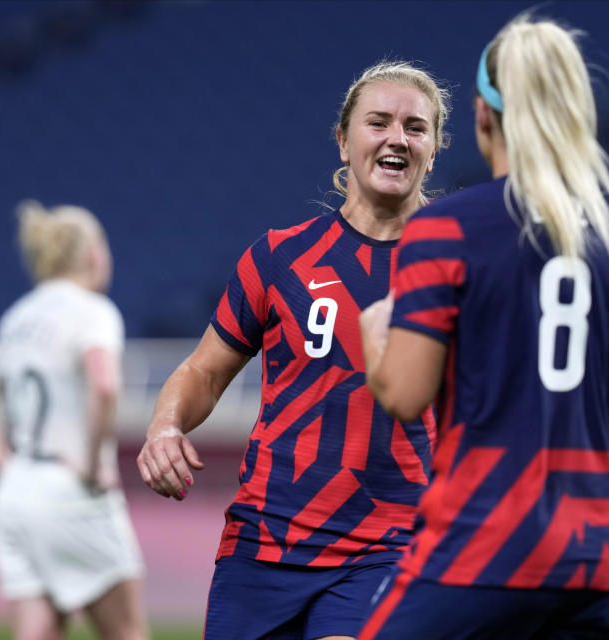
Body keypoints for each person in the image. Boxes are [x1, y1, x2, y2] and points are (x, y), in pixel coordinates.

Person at [356, 15, 609, 640]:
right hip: (593, 561)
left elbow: (404, 395)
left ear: (482, 114)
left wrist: (374, 333)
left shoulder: (446, 230)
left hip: (480, 542)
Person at [136, 61, 450, 640]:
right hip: (265, 538)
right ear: (343, 141)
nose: (397, 139)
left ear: (434, 149)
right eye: (378, 122)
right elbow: (203, 370)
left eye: (416, 127)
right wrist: (164, 426)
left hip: (392, 542)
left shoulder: (459, 267)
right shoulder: (280, 258)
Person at [0, 201, 148, 640]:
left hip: (16, 491)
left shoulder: (19, 317)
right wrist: (92, 461)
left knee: (37, 630)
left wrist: (5, 464)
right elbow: (103, 384)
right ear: (94, 255)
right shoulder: (91, 311)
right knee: (126, 632)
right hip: (69, 489)